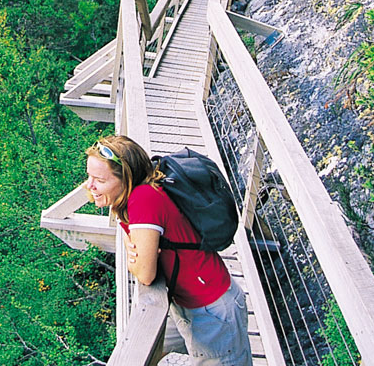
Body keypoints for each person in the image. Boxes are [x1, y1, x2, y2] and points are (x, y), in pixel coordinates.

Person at [85, 135, 251, 366]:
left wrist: (134, 260)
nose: (89, 185)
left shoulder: (143, 199)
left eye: (100, 180)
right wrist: (133, 246)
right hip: (189, 304)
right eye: (90, 176)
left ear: (127, 179)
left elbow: (145, 273)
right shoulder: (138, 194)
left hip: (213, 311)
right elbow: (132, 240)